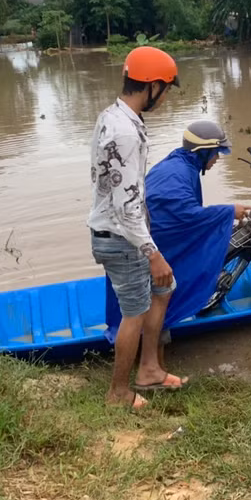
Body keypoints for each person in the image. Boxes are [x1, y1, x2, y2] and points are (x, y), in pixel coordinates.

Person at [88, 45, 185, 410]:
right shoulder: (125, 133)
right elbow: (125, 206)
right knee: (134, 312)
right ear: (153, 85)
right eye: (166, 88)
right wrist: (152, 253)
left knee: (164, 288)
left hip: (121, 231)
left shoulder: (112, 117)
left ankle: (149, 369)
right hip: (121, 237)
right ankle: (118, 393)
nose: (164, 97)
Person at [144, 121, 251, 333]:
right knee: (164, 291)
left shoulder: (178, 164)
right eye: (216, 153)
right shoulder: (179, 173)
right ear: (203, 152)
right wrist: (229, 211)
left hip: (149, 237)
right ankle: (154, 342)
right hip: (155, 242)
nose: (217, 159)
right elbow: (186, 215)